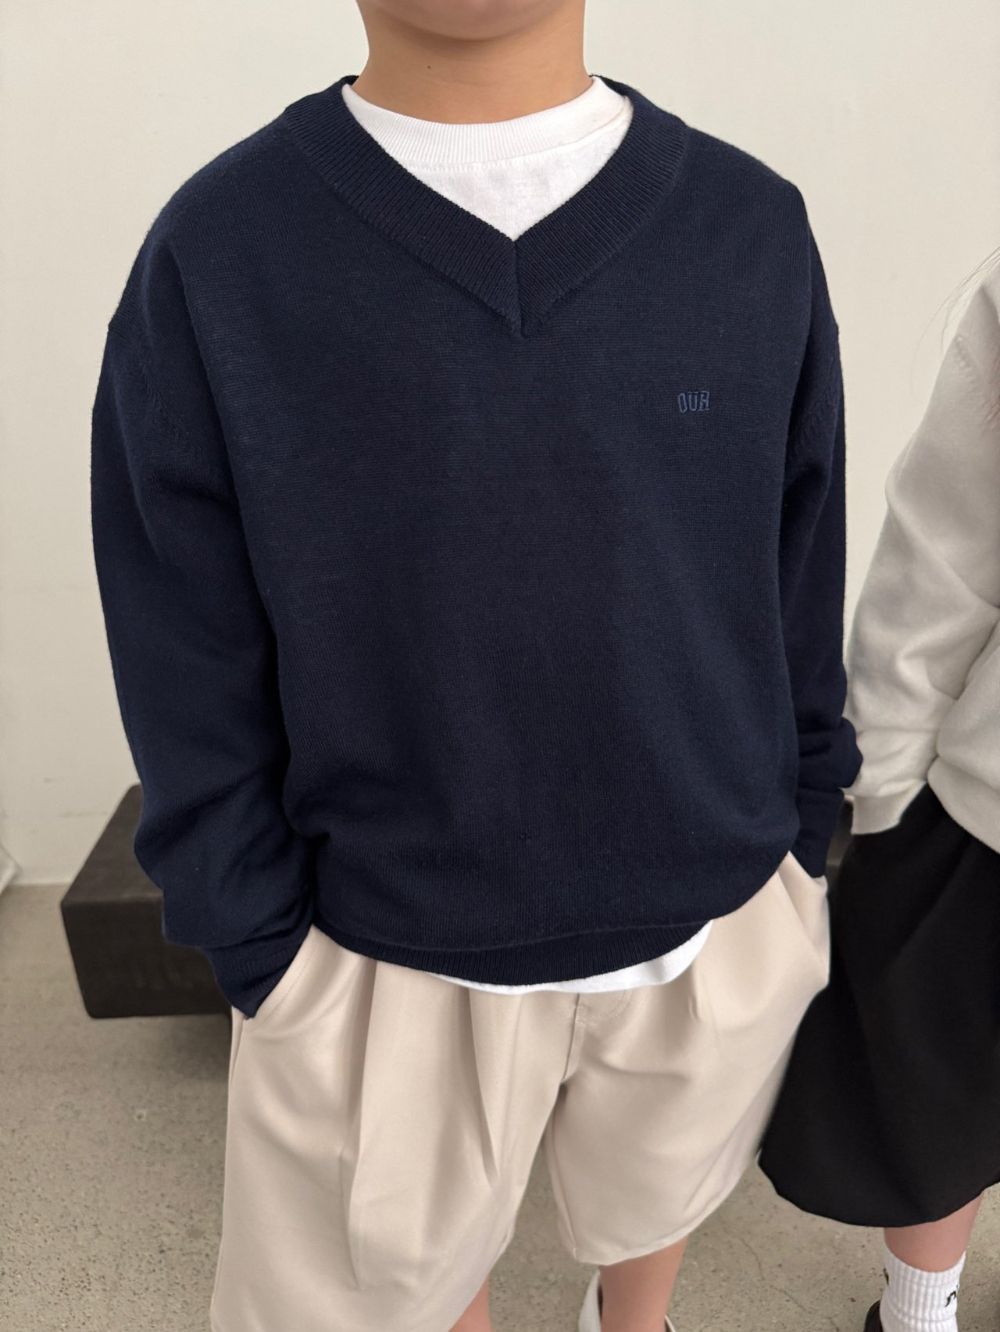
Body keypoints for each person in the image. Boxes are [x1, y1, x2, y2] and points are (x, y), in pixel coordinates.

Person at [89, 2, 861, 1329]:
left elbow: (793, 554)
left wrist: (801, 826)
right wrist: (260, 945)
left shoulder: (749, 228)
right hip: (377, 951)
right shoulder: (219, 255)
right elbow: (181, 634)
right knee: (404, 1276)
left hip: (716, 909)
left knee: (662, 1197)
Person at [759, 257, 1000, 1332]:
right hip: (987, 814)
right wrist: (889, 789)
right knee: (932, 1096)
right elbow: (947, 548)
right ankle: (916, 1312)